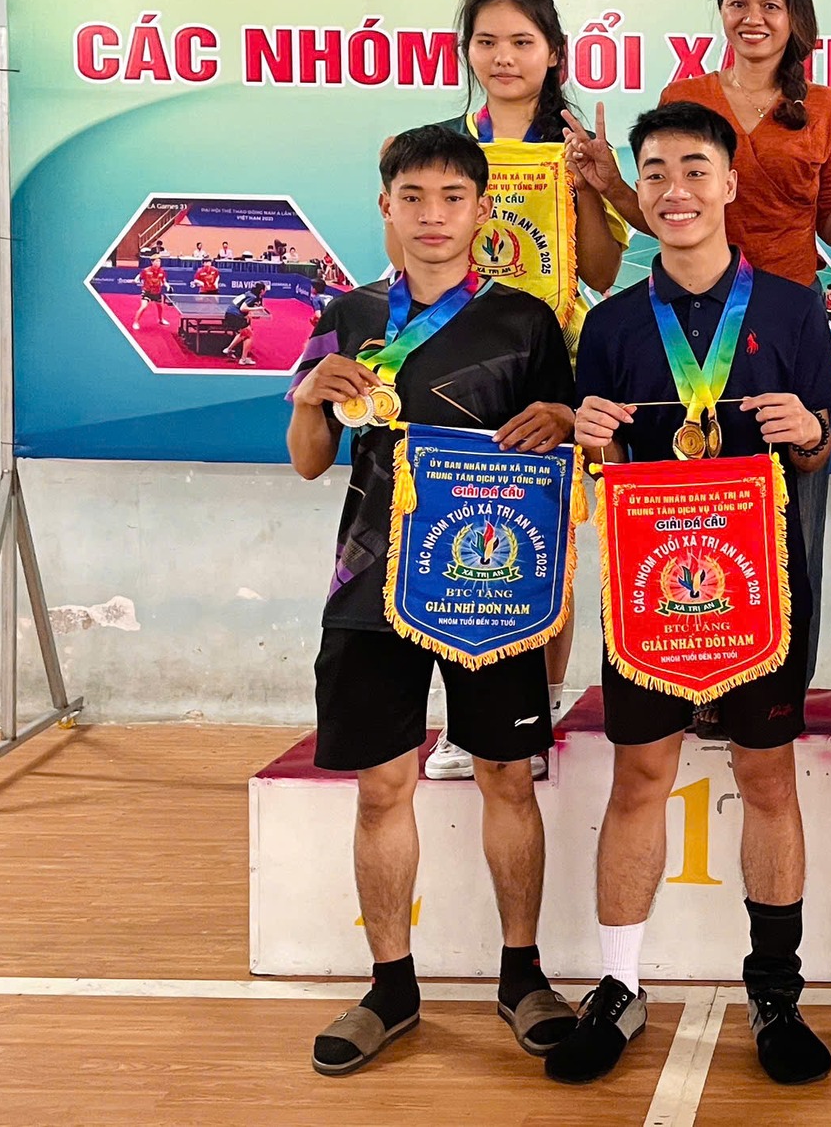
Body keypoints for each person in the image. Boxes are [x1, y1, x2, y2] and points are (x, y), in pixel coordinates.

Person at [548, 101, 831, 1088]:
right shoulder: (613, 324)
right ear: (638, 190)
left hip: (762, 585)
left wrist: (809, 431)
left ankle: (776, 992)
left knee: (767, 778)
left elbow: (821, 448)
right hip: (651, 587)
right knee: (639, 776)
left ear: (729, 185)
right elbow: (604, 463)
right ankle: (619, 985)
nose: (675, 190)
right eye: (656, 173)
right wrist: (590, 438)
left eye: (694, 170)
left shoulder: (794, 309)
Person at [286, 125, 580, 1079]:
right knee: (382, 787)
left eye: (453, 197)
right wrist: (308, 398)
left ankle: (523, 976)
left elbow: (568, 445)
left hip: (488, 584)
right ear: (386, 207)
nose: (432, 215)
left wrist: (564, 418)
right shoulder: (347, 314)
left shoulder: (527, 322)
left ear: (483, 210)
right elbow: (309, 462)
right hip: (368, 583)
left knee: (505, 777)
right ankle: (391, 986)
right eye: (412, 197)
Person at [568, 0, 831, 682]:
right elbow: (669, 209)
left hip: (786, 326)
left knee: (794, 504)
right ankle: (682, 661)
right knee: (681, 498)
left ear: (795, 17)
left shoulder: (826, 108)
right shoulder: (686, 93)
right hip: (683, 316)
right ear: (720, 12)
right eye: (738, 3)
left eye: (771, 5)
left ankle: (780, 679)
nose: (754, 18)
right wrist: (610, 182)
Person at [393, 0, 617, 782]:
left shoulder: (576, 146)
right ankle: (465, 717)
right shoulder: (436, 145)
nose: (504, 56)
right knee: (455, 536)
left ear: (555, 52)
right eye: (487, 41)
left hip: (548, 363)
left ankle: (534, 710)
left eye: (523, 41)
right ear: (466, 52)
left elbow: (601, 271)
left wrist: (588, 189)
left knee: (544, 539)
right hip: (453, 365)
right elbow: (401, 262)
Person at [222, 281, 270, 366]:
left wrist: (248, 314)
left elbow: (246, 306)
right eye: (265, 289)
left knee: (245, 334)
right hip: (236, 316)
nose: (266, 290)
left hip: (230, 314)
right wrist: (258, 308)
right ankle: (240, 358)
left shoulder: (249, 293)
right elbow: (243, 308)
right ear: (261, 290)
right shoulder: (253, 297)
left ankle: (232, 351)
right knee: (249, 335)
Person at [131, 257, 174, 331]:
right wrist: (136, 279)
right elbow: (139, 275)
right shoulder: (146, 270)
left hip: (157, 292)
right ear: (152, 262)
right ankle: (136, 322)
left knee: (160, 307)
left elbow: (164, 281)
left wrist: (168, 286)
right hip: (147, 292)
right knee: (144, 306)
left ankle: (160, 319)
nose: (158, 263)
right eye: (156, 261)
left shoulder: (162, 271)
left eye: (159, 261)